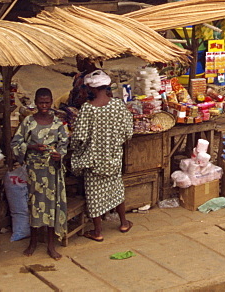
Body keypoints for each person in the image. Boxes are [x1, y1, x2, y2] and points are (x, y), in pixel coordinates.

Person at [70, 70, 135, 241]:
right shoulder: (118, 106)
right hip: (113, 158)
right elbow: (128, 132)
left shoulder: (87, 109)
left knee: (94, 195)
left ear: (91, 88)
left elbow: (78, 137)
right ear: (106, 87)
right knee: (117, 190)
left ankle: (98, 231)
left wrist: (76, 151)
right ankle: (123, 223)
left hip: (93, 162)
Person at [12, 88, 69, 260]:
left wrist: (60, 155)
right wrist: (30, 147)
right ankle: (34, 241)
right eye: (40, 103)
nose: (44, 106)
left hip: (52, 170)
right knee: (34, 205)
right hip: (35, 171)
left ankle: (51, 244)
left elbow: (64, 144)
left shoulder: (58, 123)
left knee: (51, 206)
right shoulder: (28, 121)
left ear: (51, 102)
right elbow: (15, 143)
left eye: (47, 102)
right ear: (35, 103)